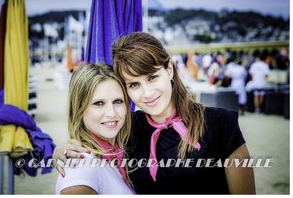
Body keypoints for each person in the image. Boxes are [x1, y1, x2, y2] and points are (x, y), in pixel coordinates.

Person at [53, 32, 255, 194]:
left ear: (170, 69)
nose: (147, 93)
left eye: (152, 77)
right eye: (134, 84)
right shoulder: (128, 127)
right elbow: (93, 143)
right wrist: (61, 149)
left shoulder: (220, 123)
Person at [55, 63, 135, 194]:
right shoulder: (82, 169)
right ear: (79, 109)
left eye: (118, 101)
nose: (112, 113)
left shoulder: (114, 154)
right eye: (98, 103)